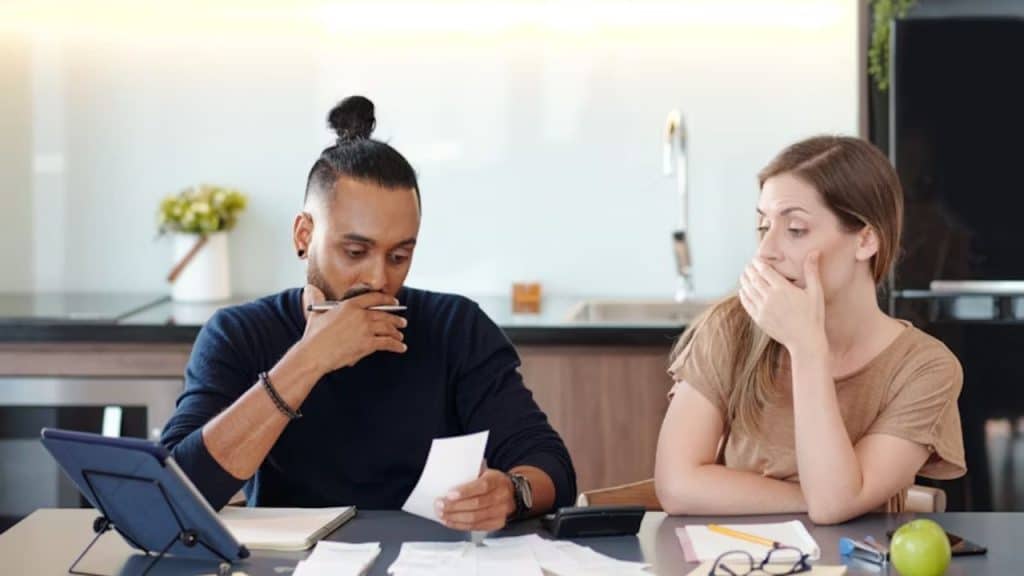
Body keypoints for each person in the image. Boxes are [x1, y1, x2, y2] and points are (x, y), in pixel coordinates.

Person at [161, 96, 576, 532]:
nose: (379, 278)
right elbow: (176, 491)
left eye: (399, 255)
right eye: (355, 251)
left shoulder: (456, 328)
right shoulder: (239, 335)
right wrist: (310, 359)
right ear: (304, 235)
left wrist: (511, 493)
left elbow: (552, 467)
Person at [654, 135, 965, 524]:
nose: (766, 250)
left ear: (866, 239)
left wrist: (806, 348)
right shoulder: (729, 328)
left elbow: (833, 504)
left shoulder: (925, 368)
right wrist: (817, 495)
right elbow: (676, 485)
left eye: (795, 229)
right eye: (763, 226)